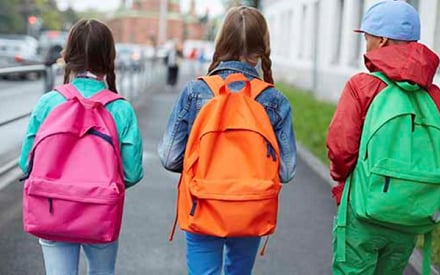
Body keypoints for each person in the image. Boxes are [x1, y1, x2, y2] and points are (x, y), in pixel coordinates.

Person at [158, 6, 296, 275]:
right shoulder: (274, 100)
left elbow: (169, 157)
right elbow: (287, 171)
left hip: (202, 201)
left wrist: (205, 170)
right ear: (262, 48)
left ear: (221, 42)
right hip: (251, 205)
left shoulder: (195, 91)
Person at [19, 19, 144, 275]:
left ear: (68, 56)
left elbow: (26, 165)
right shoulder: (120, 108)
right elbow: (131, 172)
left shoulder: (49, 102)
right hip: (100, 210)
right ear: (110, 56)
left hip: (52, 208)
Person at [326, 1, 440, 274]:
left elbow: (341, 150)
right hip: (412, 212)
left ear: (381, 40)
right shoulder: (433, 96)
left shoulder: (362, 87)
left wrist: (342, 184)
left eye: (367, 37)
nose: (365, 44)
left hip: (364, 210)